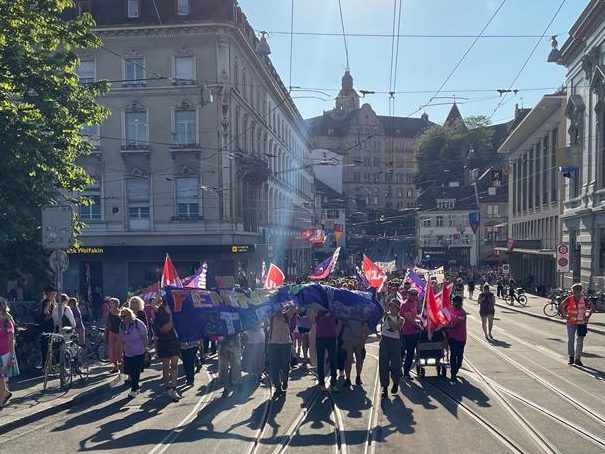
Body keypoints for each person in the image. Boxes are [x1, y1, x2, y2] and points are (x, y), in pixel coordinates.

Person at [560, 283, 594, 366]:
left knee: (580, 341)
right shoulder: (569, 299)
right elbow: (562, 305)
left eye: (577, 291)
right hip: (571, 322)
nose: (575, 293)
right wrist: (565, 315)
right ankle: (571, 358)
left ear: (580, 291)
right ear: (572, 291)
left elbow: (593, 306)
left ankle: (577, 359)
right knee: (571, 340)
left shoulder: (585, 299)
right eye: (574, 291)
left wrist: (588, 316)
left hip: (582, 323)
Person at [153, 299, 181, 400]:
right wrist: (170, 317)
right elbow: (164, 329)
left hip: (174, 342)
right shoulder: (159, 315)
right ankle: (167, 387)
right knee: (166, 367)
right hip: (164, 343)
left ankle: (174, 388)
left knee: (174, 366)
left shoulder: (175, 310)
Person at [117, 307, 148, 397]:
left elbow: (144, 336)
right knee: (130, 370)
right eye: (121, 317)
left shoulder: (138, 323)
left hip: (139, 350)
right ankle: (136, 386)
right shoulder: (121, 326)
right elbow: (121, 340)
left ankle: (134, 388)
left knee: (135, 370)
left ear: (130, 315)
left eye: (124, 316)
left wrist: (146, 348)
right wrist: (121, 353)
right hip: (128, 351)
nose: (123, 319)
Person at [267, 304, 294, 395]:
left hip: (286, 343)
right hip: (273, 343)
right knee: (274, 366)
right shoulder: (271, 315)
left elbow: (293, 308)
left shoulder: (286, 315)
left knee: (285, 365)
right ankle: (277, 386)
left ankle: (285, 379)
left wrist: (289, 301)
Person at [379, 301, 403, 398]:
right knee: (383, 364)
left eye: (393, 307)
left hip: (395, 342)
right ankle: (384, 387)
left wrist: (388, 317)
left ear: (397, 309)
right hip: (384, 341)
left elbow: (396, 327)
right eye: (390, 306)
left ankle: (396, 382)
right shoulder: (385, 316)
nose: (391, 308)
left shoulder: (400, 319)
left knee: (395, 364)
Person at [315, 308, 340, 392]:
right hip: (320, 338)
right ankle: (321, 383)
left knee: (333, 361)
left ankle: (333, 384)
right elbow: (312, 321)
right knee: (320, 361)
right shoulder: (318, 309)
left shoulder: (334, 309)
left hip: (331, 338)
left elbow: (338, 322)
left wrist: (335, 333)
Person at [341, 318, 370, 387]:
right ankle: (348, 378)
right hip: (348, 339)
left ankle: (358, 377)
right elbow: (340, 323)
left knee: (360, 359)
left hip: (359, 339)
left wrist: (365, 338)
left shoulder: (362, 313)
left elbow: (366, 326)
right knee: (347, 360)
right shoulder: (346, 312)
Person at [399, 287, 421, 379]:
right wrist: (419, 326)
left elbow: (415, 316)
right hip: (406, 332)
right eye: (412, 294)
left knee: (411, 353)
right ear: (408, 295)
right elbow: (409, 319)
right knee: (403, 353)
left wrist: (423, 319)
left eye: (416, 295)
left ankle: (406, 372)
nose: (414, 296)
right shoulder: (404, 305)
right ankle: (401, 371)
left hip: (414, 332)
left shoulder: (415, 303)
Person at [0, 297, 16, 407]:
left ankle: (2, 398)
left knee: (2, 377)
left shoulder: (7, 322)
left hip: (5, 353)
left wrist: (11, 357)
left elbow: (11, 341)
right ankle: (4, 394)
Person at [448, 295, 467, 381]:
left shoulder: (462, 313)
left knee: (459, 355)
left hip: (461, 337)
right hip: (452, 337)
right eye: (454, 301)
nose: (456, 303)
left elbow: (453, 325)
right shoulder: (450, 309)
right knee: (453, 354)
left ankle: (458, 366)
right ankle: (453, 373)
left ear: (460, 303)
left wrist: (446, 325)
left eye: (458, 302)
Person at [37, 287, 56, 368]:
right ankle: (48, 364)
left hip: (43, 326)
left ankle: (45, 364)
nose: (54, 295)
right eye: (53, 293)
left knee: (45, 345)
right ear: (49, 294)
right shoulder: (48, 302)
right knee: (49, 345)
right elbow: (45, 311)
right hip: (48, 326)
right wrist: (52, 315)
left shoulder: (43, 301)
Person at [104, 298, 122, 373]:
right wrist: (105, 332)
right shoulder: (109, 313)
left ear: (117, 304)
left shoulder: (121, 312)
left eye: (113, 303)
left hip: (120, 333)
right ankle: (115, 366)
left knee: (119, 349)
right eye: (110, 303)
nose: (111, 305)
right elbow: (107, 323)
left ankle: (122, 363)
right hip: (111, 332)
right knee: (112, 350)